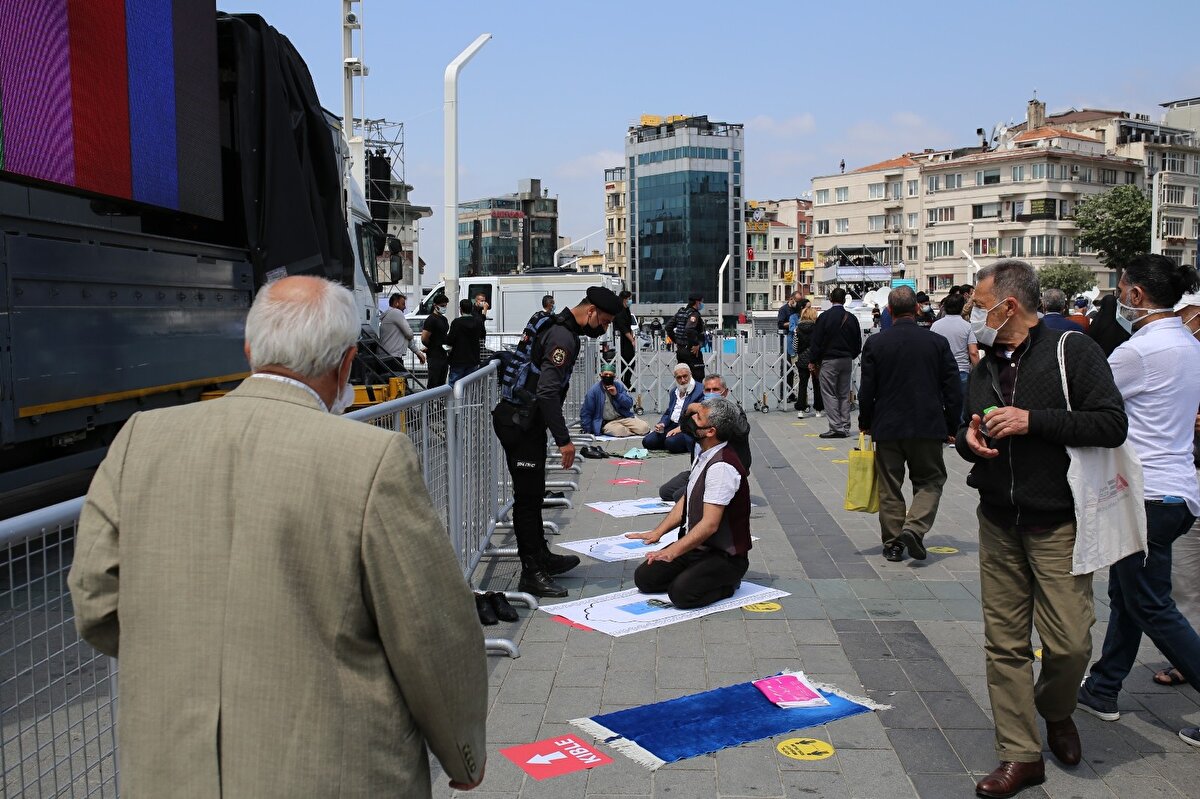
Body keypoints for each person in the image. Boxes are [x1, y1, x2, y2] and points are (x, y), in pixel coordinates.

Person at [68, 276, 488, 797]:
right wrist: (462, 750)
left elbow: (94, 598)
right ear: (346, 362)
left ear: (249, 349)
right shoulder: (370, 459)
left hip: (173, 769)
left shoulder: (141, 440)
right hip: (333, 767)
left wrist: (183, 654)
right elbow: (430, 628)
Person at [957, 259, 1127, 799]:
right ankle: (1020, 754)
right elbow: (968, 423)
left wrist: (1034, 421)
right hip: (998, 519)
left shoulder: (1070, 350)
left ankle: (1056, 710)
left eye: (979, 304)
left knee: (1071, 643)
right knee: (1005, 645)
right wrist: (970, 438)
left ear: (1008, 306)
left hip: (1059, 521)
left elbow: (1111, 422)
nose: (973, 314)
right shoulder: (983, 363)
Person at [1076, 255, 1200, 752]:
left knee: (1150, 603)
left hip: (1147, 494)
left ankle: (1104, 686)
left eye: (1121, 286)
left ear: (1136, 295)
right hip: (1176, 491)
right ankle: (1103, 687)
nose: (1119, 296)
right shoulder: (1188, 342)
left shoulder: (1140, 352)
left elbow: (1090, 405)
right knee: (1130, 595)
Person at [492, 286, 623, 597]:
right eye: (603, 321)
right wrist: (565, 440)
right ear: (590, 312)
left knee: (534, 493)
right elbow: (548, 392)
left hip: (526, 420)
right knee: (526, 499)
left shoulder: (558, 327)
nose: (603, 329)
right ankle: (531, 573)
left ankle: (541, 556)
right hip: (520, 423)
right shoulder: (563, 337)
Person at [859, 286, 961, 562]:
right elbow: (952, 388)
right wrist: (953, 426)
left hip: (888, 425)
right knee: (930, 480)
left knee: (890, 485)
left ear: (889, 311)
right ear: (918, 309)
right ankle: (914, 527)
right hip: (928, 424)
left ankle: (893, 543)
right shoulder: (936, 342)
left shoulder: (876, 343)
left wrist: (865, 422)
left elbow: (866, 389)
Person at [627, 397, 752, 609]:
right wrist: (658, 532)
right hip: (698, 548)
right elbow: (687, 498)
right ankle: (695, 573)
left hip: (724, 555)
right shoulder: (704, 453)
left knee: (681, 594)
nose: (691, 419)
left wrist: (673, 551)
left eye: (698, 417)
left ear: (711, 431)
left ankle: (728, 584)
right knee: (645, 579)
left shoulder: (722, 466)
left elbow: (710, 524)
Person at [658, 374, 751, 502]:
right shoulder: (701, 411)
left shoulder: (734, 411)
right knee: (665, 492)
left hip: (723, 470)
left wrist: (724, 408)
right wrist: (689, 409)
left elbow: (743, 431)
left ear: (725, 392)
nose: (711, 393)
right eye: (708, 390)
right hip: (700, 467)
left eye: (716, 390)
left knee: (679, 497)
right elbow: (685, 428)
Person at [808, 287, 862, 438]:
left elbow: (816, 341)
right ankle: (845, 426)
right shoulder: (851, 318)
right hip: (846, 360)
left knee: (829, 393)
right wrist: (851, 355)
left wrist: (813, 360)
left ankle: (836, 427)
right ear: (845, 300)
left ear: (830, 299)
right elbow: (858, 342)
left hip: (829, 360)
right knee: (844, 394)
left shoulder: (824, 317)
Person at [930, 293, 980, 421]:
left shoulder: (936, 325)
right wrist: (979, 372)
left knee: (940, 405)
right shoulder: (967, 326)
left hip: (940, 372)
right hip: (961, 372)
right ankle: (959, 435)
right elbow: (973, 352)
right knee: (961, 407)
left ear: (945, 307)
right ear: (962, 307)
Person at [643, 364, 705, 453]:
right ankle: (669, 440)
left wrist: (682, 428)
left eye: (685, 376)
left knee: (671, 443)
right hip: (672, 424)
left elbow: (700, 415)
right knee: (647, 442)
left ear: (690, 374)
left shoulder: (700, 390)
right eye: (679, 378)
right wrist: (662, 424)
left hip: (688, 428)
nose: (683, 380)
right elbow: (669, 412)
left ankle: (682, 443)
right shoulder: (674, 392)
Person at [580, 363, 651, 438]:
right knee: (619, 431)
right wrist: (588, 429)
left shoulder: (619, 386)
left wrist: (616, 395)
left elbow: (629, 404)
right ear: (601, 375)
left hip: (623, 418)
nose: (607, 376)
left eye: (610, 375)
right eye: (605, 374)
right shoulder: (594, 391)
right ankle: (630, 431)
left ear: (614, 377)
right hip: (607, 422)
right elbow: (586, 411)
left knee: (644, 428)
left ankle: (629, 431)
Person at [791, 304, 824, 418]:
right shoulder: (818, 329)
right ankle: (818, 409)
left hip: (802, 359)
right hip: (815, 359)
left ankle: (800, 409)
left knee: (802, 384)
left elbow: (795, 347)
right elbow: (820, 345)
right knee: (817, 384)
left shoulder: (797, 329)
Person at [447, 298, 487, 386]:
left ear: (460, 309)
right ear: (472, 309)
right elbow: (482, 335)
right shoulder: (477, 322)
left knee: (454, 384)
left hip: (458, 359)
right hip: (473, 359)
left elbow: (450, 340)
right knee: (469, 386)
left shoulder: (456, 322)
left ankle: (454, 400)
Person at [379, 292, 426, 365]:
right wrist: (418, 352)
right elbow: (409, 334)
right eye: (403, 304)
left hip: (388, 355)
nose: (405, 307)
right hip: (392, 357)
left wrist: (417, 352)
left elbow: (406, 337)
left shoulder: (390, 314)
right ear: (396, 303)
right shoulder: (396, 312)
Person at [672, 294, 707, 381]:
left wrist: (677, 341)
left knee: (682, 377)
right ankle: (695, 394)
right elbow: (689, 329)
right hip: (691, 350)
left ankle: (683, 393)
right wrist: (696, 344)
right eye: (701, 302)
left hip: (680, 349)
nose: (702, 304)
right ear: (697, 302)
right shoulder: (694, 314)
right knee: (697, 376)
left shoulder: (681, 312)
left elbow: (668, 327)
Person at [421, 293, 450, 388]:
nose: (444, 307)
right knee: (433, 382)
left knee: (441, 382)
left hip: (443, 355)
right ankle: (430, 402)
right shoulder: (431, 320)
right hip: (434, 356)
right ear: (435, 305)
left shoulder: (444, 319)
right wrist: (432, 347)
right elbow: (424, 338)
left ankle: (440, 403)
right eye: (442, 306)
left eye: (445, 305)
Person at [613, 290, 638, 388]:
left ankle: (627, 382)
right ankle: (622, 382)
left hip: (627, 339)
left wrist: (632, 337)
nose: (630, 301)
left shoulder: (627, 310)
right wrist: (632, 340)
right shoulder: (619, 311)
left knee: (630, 361)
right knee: (624, 362)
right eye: (629, 299)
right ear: (624, 299)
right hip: (621, 340)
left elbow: (629, 326)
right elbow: (623, 328)